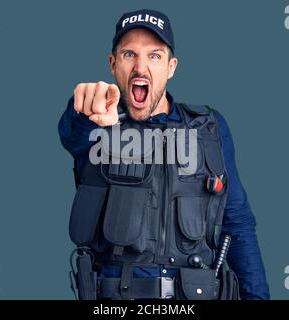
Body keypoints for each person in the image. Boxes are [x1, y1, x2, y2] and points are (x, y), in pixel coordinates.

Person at [58, 9, 270, 300]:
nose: (140, 68)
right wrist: (83, 107)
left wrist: (257, 297)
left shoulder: (210, 128)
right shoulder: (98, 124)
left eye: (154, 56)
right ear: (112, 64)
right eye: (129, 54)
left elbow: (237, 223)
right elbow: (73, 133)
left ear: (171, 67)